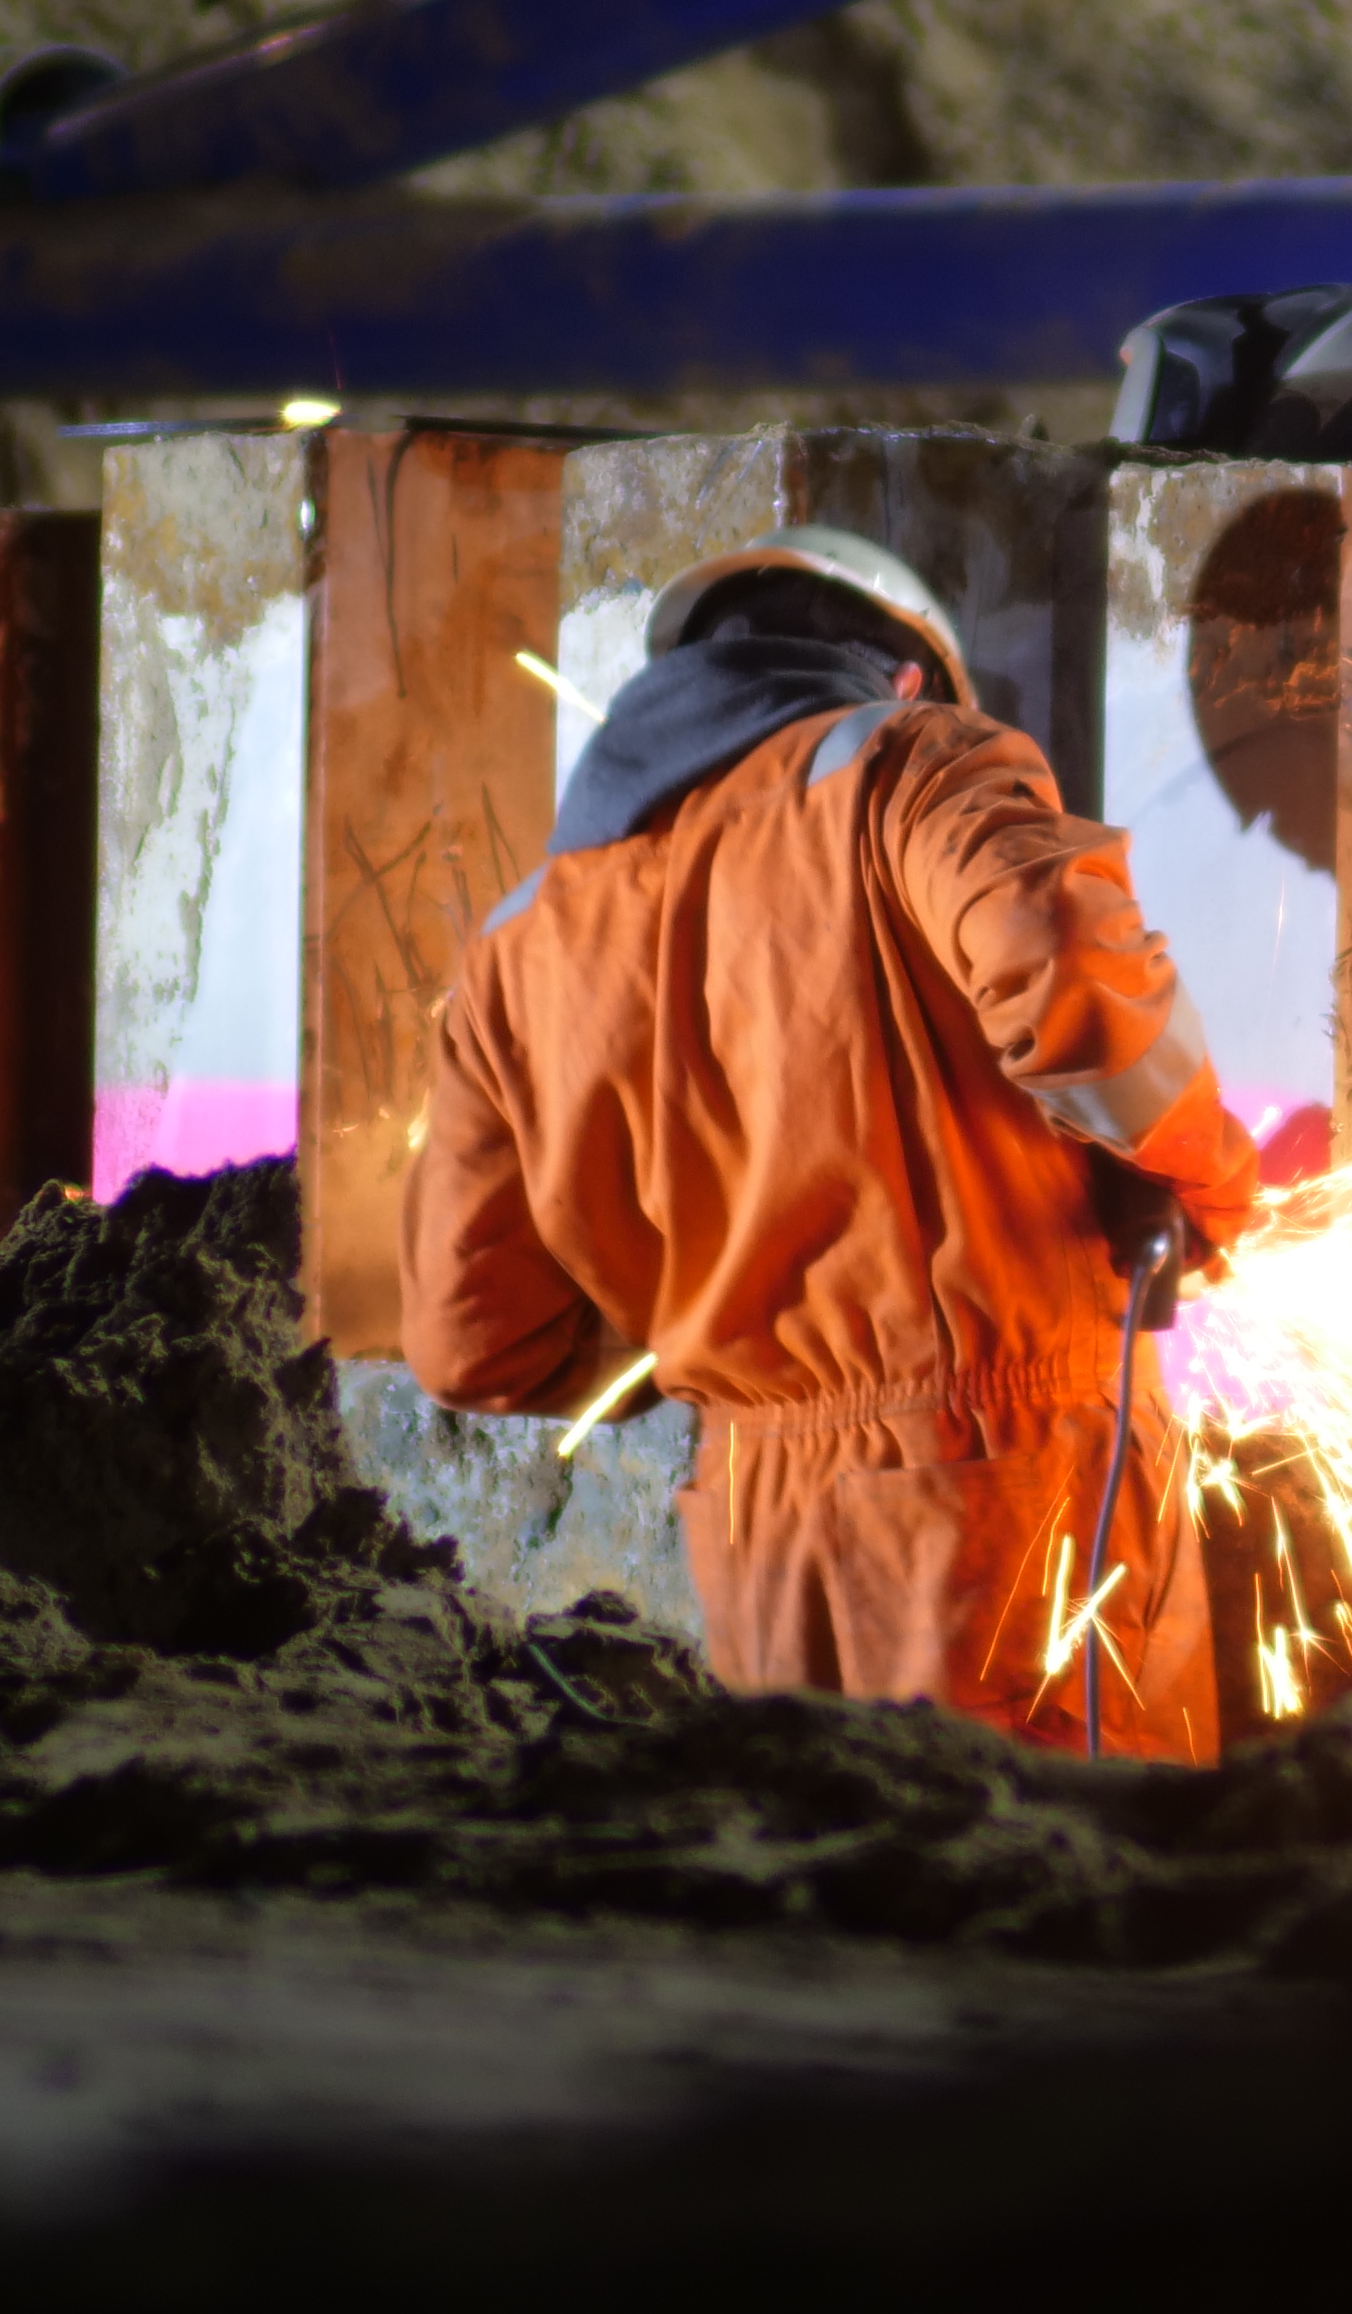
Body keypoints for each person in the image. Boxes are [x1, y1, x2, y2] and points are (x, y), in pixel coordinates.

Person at [400, 526, 1262, 1760]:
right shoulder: (909, 765)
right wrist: (1205, 1191)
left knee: (827, 1862)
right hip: (997, 1480)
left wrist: (713, 1338)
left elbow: (470, 1341)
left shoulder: (519, 940)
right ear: (907, 678)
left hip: (753, 1522)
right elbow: (1076, 988)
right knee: (1067, 1864)